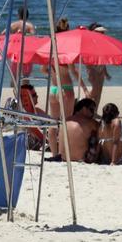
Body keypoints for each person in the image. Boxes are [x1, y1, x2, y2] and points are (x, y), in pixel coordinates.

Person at [43, 18, 87, 158]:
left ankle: (54, 153)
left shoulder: (51, 47)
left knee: (52, 122)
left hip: (53, 89)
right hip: (65, 88)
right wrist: (85, 88)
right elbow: (73, 71)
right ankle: (62, 153)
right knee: (65, 123)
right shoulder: (66, 48)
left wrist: (55, 72)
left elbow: (43, 69)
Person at [56, 97, 99, 163]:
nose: (93, 113)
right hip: (81, 159)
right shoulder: (91, 123)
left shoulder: (65, 121)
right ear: (84, 109)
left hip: (63, 158)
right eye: (91, 110)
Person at [85, 22, 112, 109]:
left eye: (103, 32)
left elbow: (103, 60)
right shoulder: (90, 42)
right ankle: (83, 103)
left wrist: (106, 73)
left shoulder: (102, 43)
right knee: (95, 89)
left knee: (99, 92)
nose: (103, 34)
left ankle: (94, 111)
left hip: (101, 69)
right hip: (92, 68)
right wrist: (90, 70)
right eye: (100, 32)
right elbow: (86, 59)